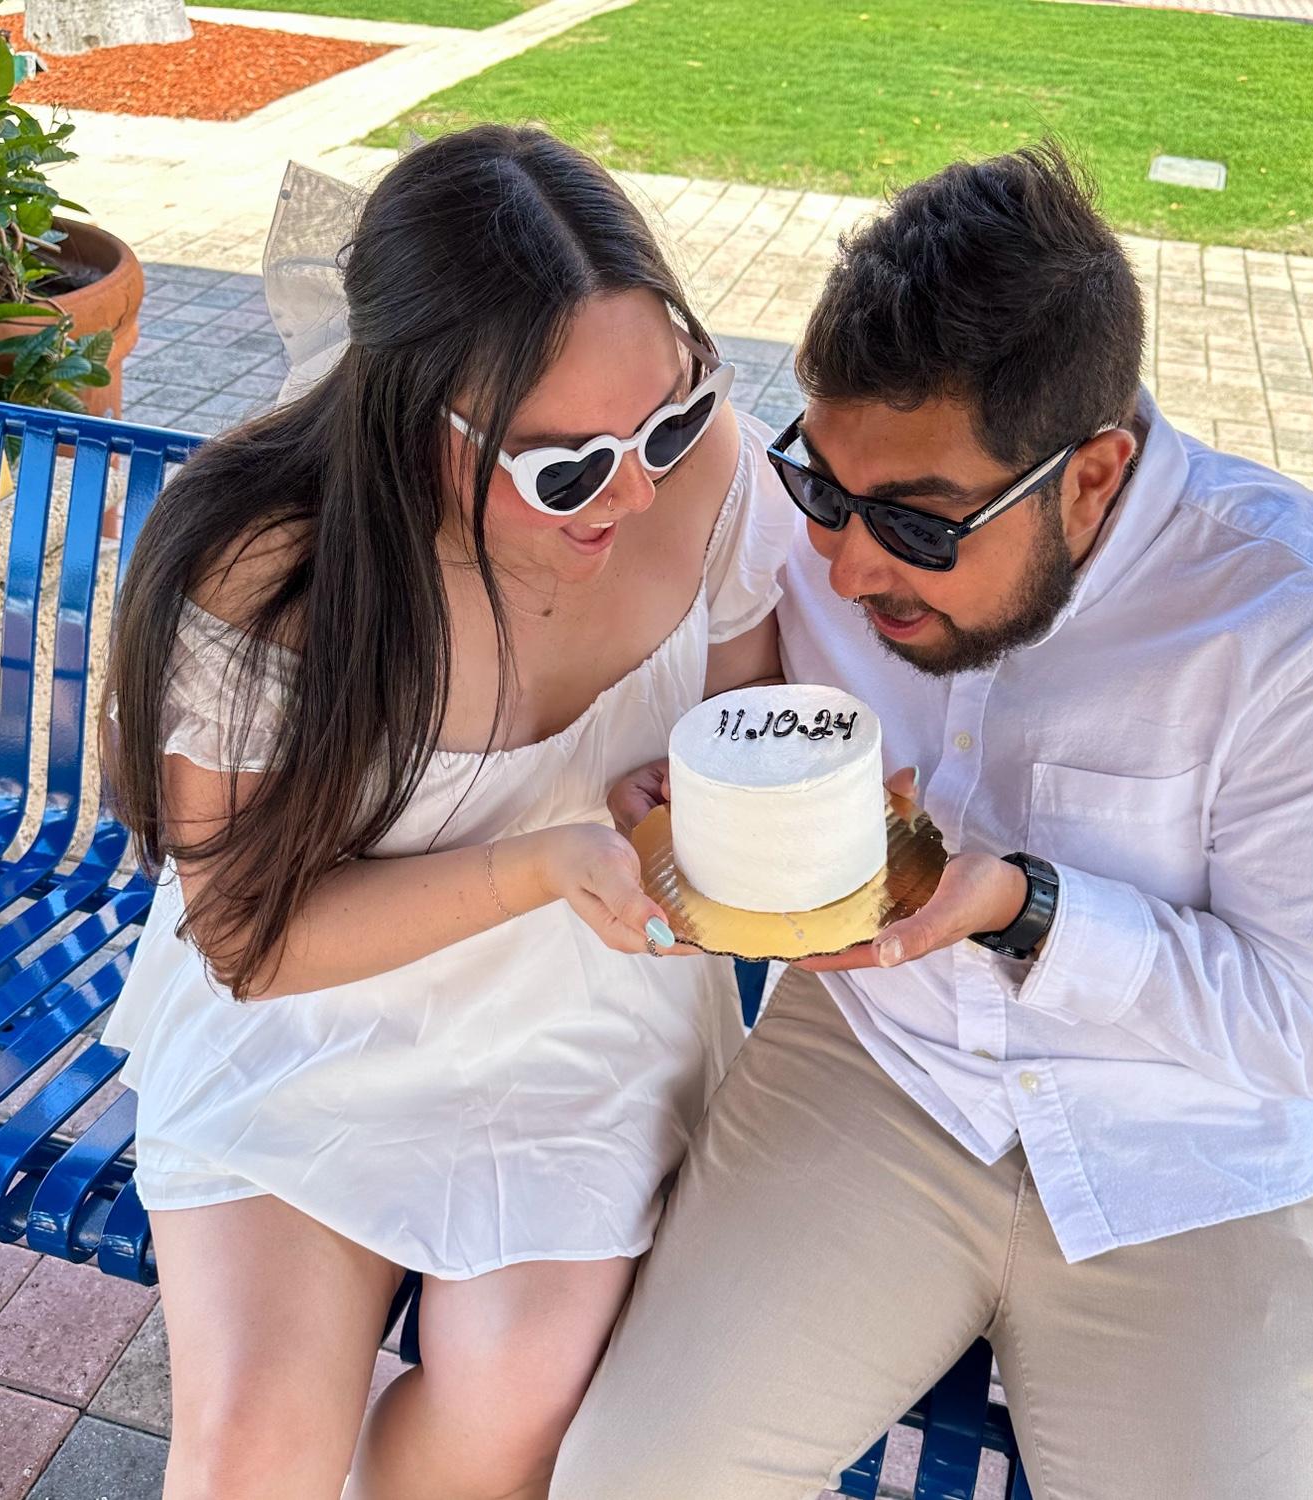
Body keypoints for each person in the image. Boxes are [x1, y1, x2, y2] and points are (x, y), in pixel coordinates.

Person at [571, 143, 1313, 1500]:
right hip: (880, 1070)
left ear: (1092, 476)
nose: (846, 567)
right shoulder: (813, 536)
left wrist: (1033, 912)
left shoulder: (1290, 619)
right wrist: (689, 791)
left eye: (919, 527)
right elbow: (721, 694)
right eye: (825, 490)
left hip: (1196, 1153)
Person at [100, 124, 790, 1500]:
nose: (636, 489)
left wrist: (686, 802)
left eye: (665, 418)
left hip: (586, 1025)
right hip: (314, 1014)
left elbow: (740, 725)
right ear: (414, 423)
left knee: (510, 1417)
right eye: (566, 467)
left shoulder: (708, 473)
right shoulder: (269, 564)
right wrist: (538, 864)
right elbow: (250, 942)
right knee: (250, 1456)